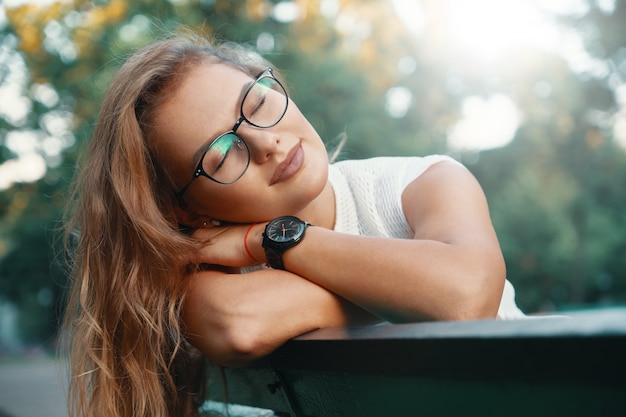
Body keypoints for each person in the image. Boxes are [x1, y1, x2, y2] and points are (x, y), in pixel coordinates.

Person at [62, 31, 524, 417]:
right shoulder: (210, 282)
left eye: (258, 102)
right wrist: (414, 289)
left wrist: (269, 240)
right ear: (188, 211)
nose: (266, 142)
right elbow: (239, 324)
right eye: (222, 153)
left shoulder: (424, 182)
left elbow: (465, 295)